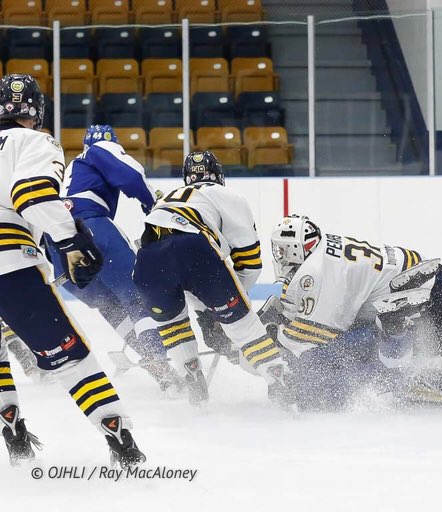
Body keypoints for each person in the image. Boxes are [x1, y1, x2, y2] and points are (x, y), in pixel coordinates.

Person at [265, 214, 442, 410]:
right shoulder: (324, 253)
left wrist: (276, 336)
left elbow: (319, 338)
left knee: (426, 374)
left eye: (281, 250)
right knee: (421, 351)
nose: (278, 256)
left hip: (417, 298)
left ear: (296, 248)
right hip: (424, 283)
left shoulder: (316, 272)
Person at [0, 73, 144, 467]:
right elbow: (31, 196)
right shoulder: (34, 140)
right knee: (71, 358)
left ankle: (12, 431)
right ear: (36, 109)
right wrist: (71, 241)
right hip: (9, 264)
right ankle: (121, 442)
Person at [133, 150, 289, 405]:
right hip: (194, 250)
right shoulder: (226, 194)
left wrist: (207, 310)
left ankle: (191, 377)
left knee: (172, 322)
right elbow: (249, 262)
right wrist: (228, 307)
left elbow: (179, 272)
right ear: (218, 174)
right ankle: (278, 378)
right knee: (242, 326)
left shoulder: (168, 199)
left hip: (146, 262)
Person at [45, 124, 181, 393]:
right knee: (135, 296)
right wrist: (153, 202)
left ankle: (151, 360)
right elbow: (128, 174)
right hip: (92, 228)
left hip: (56, 242)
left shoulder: (66, 169)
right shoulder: (98, 149)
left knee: (109, 306)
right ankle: (156, 354)